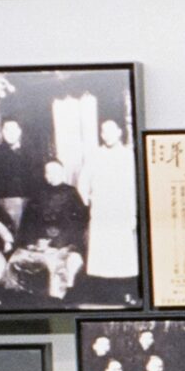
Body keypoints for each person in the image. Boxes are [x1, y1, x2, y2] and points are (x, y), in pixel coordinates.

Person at [78, 118, 141, 300]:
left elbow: (135, 185)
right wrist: (89, 200)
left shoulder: (128, 156)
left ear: (119, 132)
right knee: (103, 254)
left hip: (122, 210)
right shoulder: (95, 155)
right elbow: (83, 182)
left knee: (122, 253)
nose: (107, 135)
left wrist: (133, 213)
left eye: (111, 130)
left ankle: (125, 292)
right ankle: (104, 294)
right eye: (104, 131)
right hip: (102, 211)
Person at [0, 118, 36, 229]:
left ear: (19, 131)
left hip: (30, 203)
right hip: (3, 205)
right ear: (2, 132)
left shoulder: (31, 153)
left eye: (14, 129)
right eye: (7, 130)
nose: (10, 133)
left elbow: (37, 179)